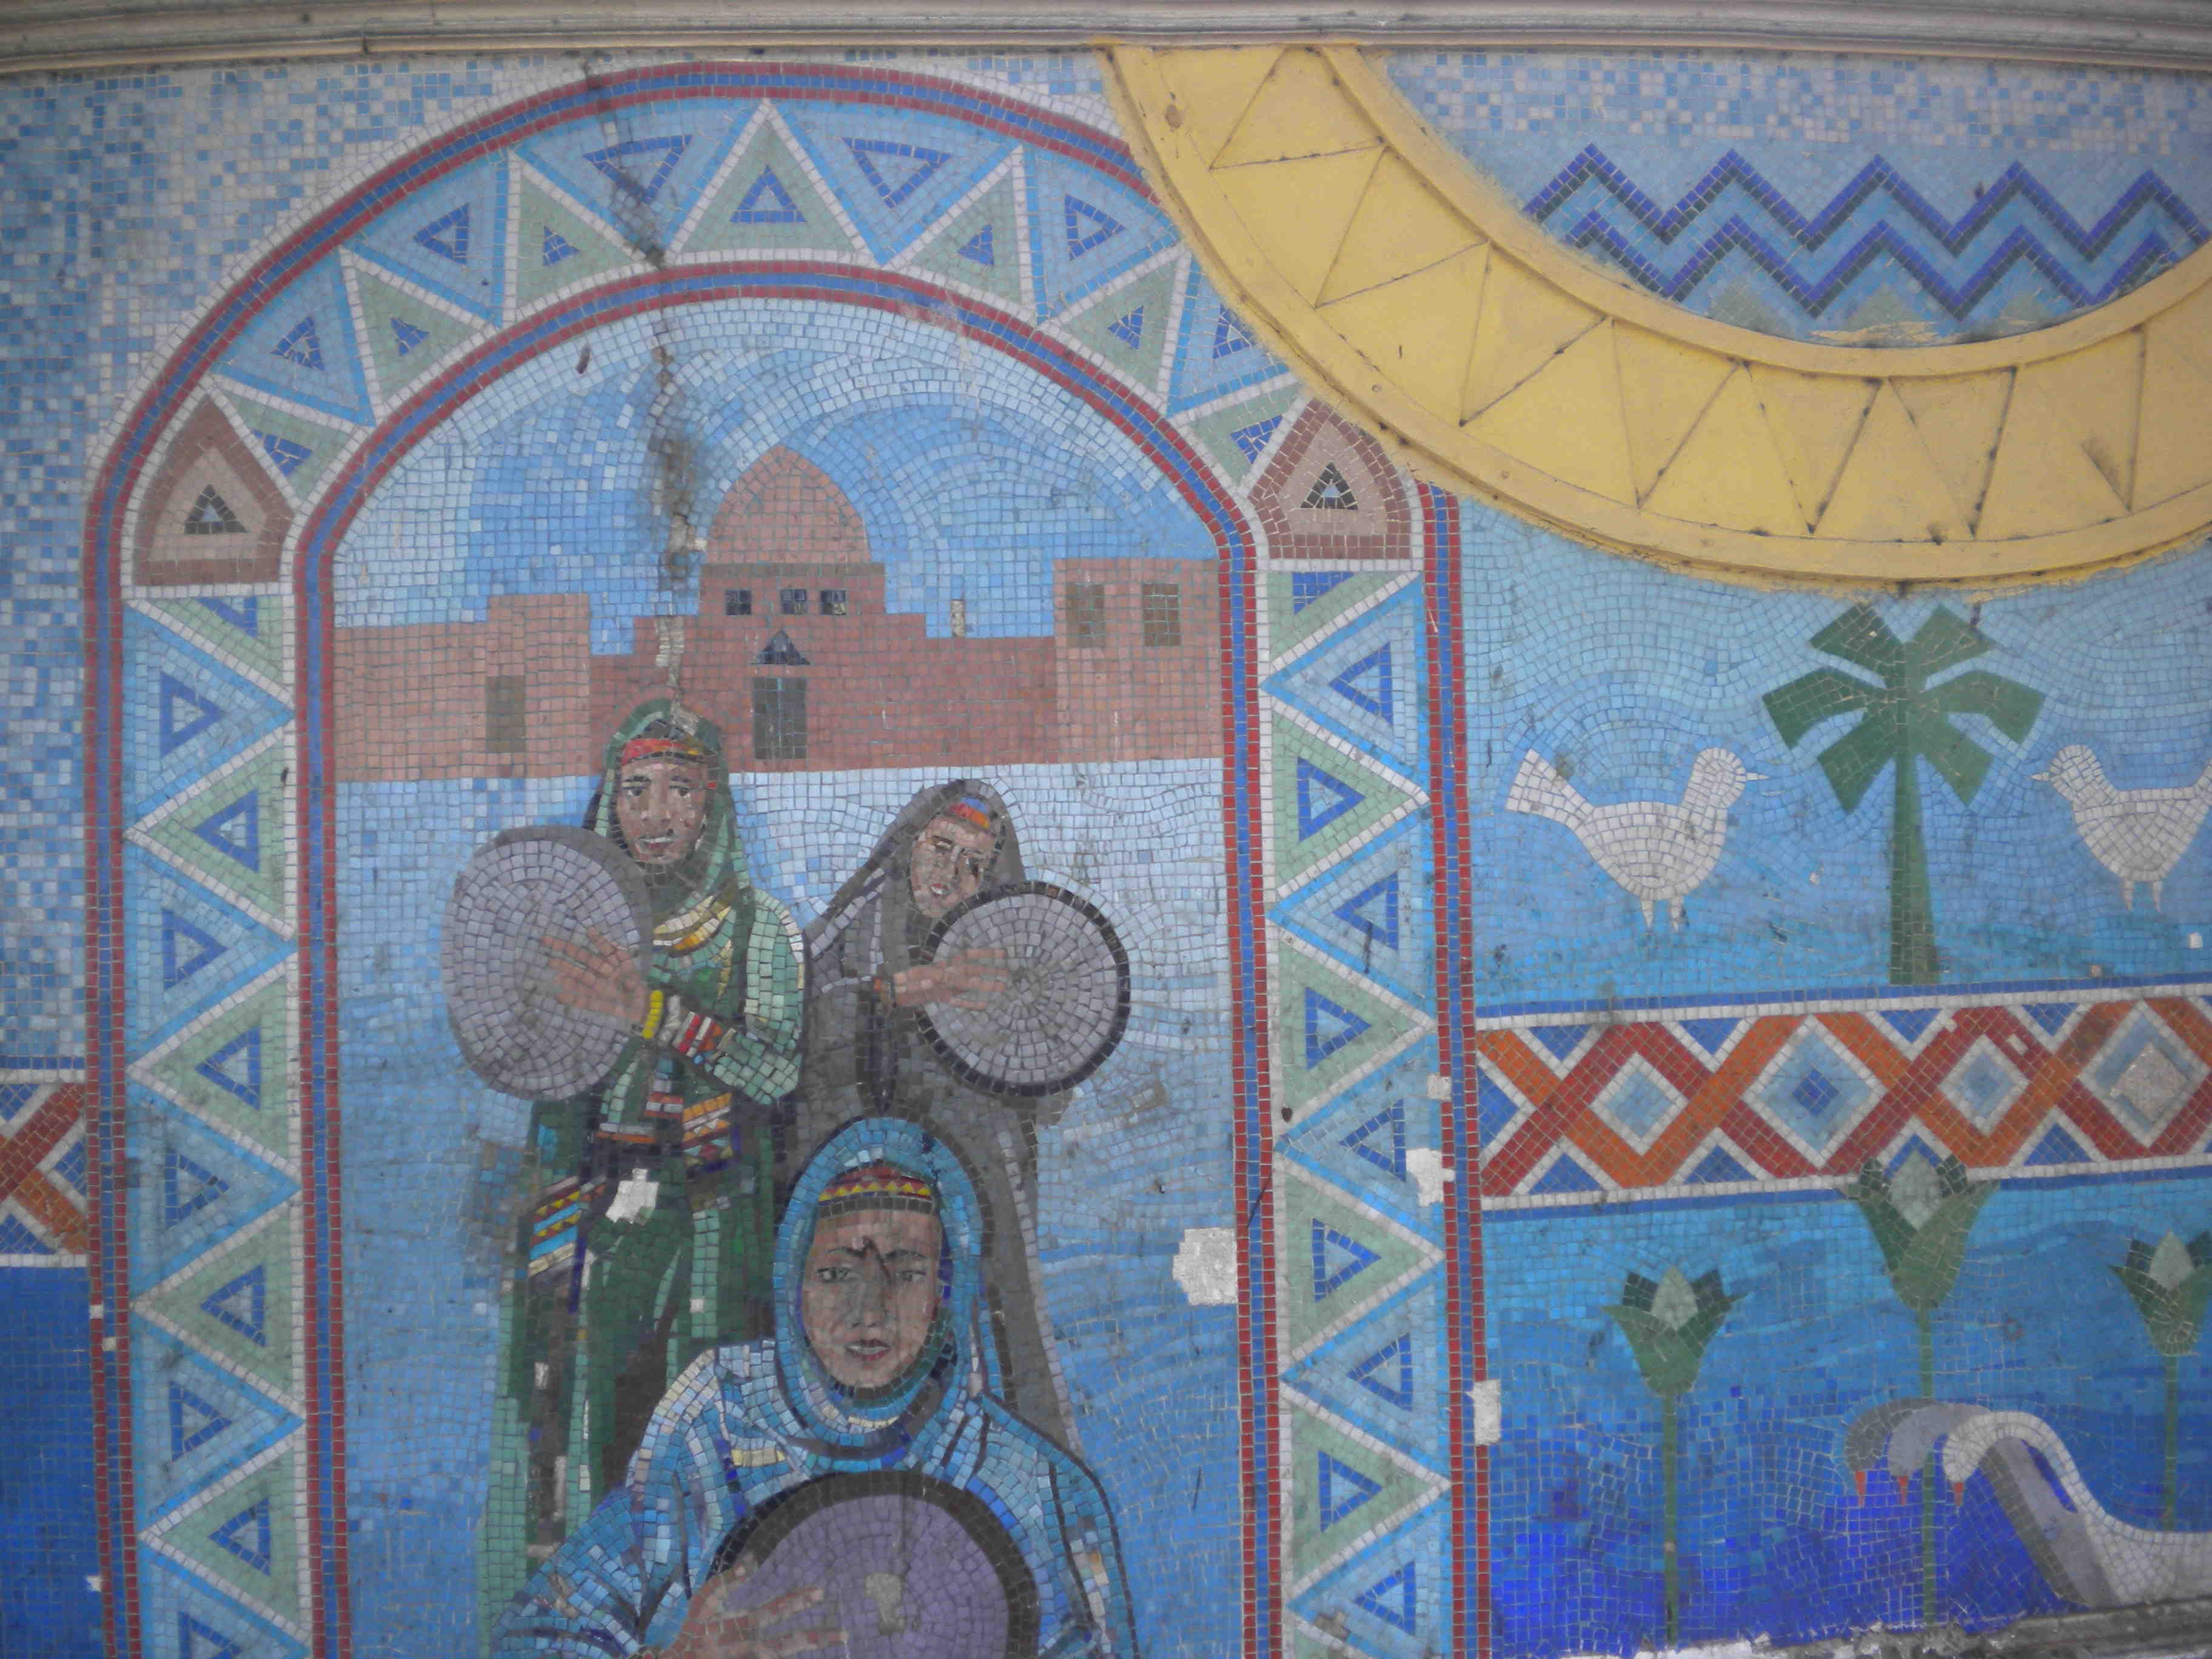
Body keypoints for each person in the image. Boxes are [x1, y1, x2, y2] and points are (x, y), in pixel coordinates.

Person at [492, 1118, 1136, 1657]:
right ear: (792, 1282)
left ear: (947, 1291)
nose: (870, 1310)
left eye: (907, 1272)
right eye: (835, 1274)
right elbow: (537, 1636)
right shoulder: (715, 1421)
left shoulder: (1027, 1483)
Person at [490, 698, 805, 1585]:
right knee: (580, 1420)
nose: (656, 813)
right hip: (595, 1216)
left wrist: (654, 1013)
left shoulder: (759, 930)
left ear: (713, 803)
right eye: (636, 790)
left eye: (679, 789)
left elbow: (775, 1072)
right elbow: (547, 1075)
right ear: (611, 800)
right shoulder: (583, 932)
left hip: (712, 1221)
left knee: (702, 1419)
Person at [794, 781, 1078, 1447]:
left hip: (978, 1158)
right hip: (865, 1160)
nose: (949, 876)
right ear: (910, 847)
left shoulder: (1002, 949)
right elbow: (794, 1021)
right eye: (941, 849)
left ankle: (1020, 1447)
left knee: (1003, 1306)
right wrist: (897, 992)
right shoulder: (856, 928)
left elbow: (1051, 1096)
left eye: (973, 865)